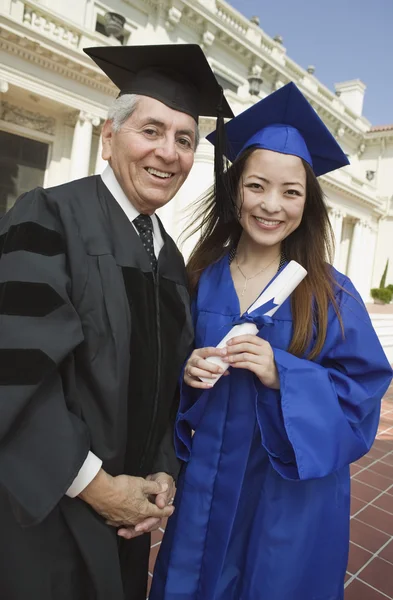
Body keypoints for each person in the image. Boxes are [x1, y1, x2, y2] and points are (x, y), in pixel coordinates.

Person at [0, 44, 233, 600]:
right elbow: (15, 371)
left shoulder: (171, 261)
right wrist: (96, 486)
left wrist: (161, 474)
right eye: (151, 130)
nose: (168, 152)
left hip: (129, 518)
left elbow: (165, 384)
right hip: (48, 511)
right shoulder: (48, 214)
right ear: (109, 137)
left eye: (184, 139)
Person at [149, 82, 393, 600]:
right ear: (236, 189)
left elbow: (363, 397)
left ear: (308, 202)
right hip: (206, 492)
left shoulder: (330, 294)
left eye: (291, 191)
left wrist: (285, 372)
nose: (271, 205)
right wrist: (188, 373)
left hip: (287, 497)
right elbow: (159, 377)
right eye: (257, 186)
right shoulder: (197, 279)